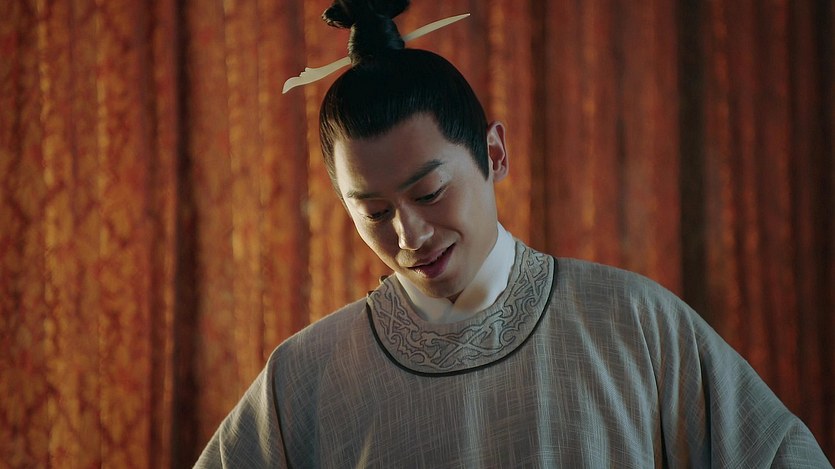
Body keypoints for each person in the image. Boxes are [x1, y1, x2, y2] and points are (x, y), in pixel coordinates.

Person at [194, 0, 831, 467]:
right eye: (376, 213)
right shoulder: (304, 378)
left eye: (429, 193)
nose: (410, 235)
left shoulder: (635, 324)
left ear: (494, 153)